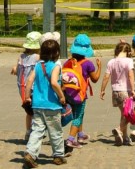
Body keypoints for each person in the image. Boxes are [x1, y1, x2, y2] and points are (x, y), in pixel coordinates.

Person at [22, 37, 66, 167]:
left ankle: (30, 153)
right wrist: (61, 96)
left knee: (37, 130)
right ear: (56, 53)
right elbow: (54, 82)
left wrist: (27, 97)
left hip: (37, 104)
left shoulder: (38, 66)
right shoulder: (55, 66)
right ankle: (58, 155)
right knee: (55, 131)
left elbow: (29, 81)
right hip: (52, 105)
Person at [64, 33, 101, 150]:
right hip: (80, 95)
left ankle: (80, 135)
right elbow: (95, 79)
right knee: (78, 117)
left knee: (79, 114)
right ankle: (70, 140)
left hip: (68, 94)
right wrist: (99, 67)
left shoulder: (68, 62)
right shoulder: (88, 64)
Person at [99, 41, 135, 146]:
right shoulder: (129, 61)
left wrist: (102, 90)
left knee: (124, 114)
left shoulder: (111, 62)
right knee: (129, 114)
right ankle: (119, 129)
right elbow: (131, 75)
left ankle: (124, 137)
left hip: (115, 92)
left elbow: (106, 77)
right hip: (126, 91)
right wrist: (133, 89)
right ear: (128, 51)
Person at [11, 31, 42, 139]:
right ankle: (36, 131)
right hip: (33, 88)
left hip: (22, 88)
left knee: (29, 112)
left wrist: (15, 68)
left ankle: (28, 131)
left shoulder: (21, 56)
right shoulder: (38, 57)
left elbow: (16, 71)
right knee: (37, 111)